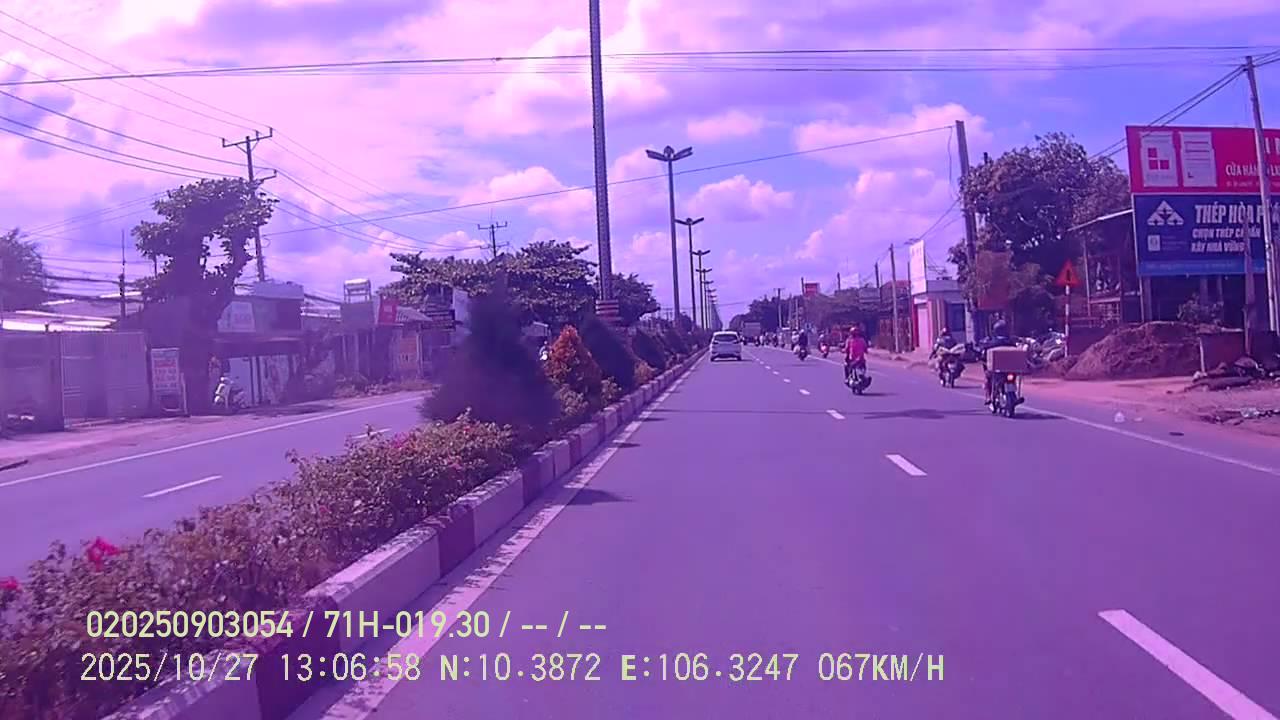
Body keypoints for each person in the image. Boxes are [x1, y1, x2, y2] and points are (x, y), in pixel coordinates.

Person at [981, 319, 1017, 405]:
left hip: (996, 370)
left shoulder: (991, 343)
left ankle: (988, 397)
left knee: (988, 378)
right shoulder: (1011, 342)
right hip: (1010, 368)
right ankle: (1013, 396)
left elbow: (984, 357)